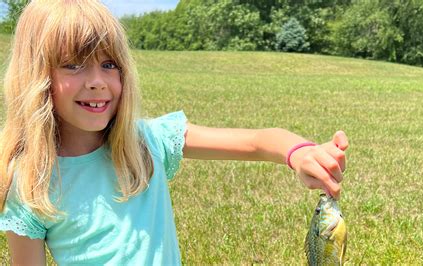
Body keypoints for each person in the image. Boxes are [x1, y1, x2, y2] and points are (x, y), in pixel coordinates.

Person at [0, 0, 348, 265]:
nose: (96, 82)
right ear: (37, 78)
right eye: (74, 64)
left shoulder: (147, 143)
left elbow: (256, 142)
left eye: (109, 64)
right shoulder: (31, 185)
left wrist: (301, 153)